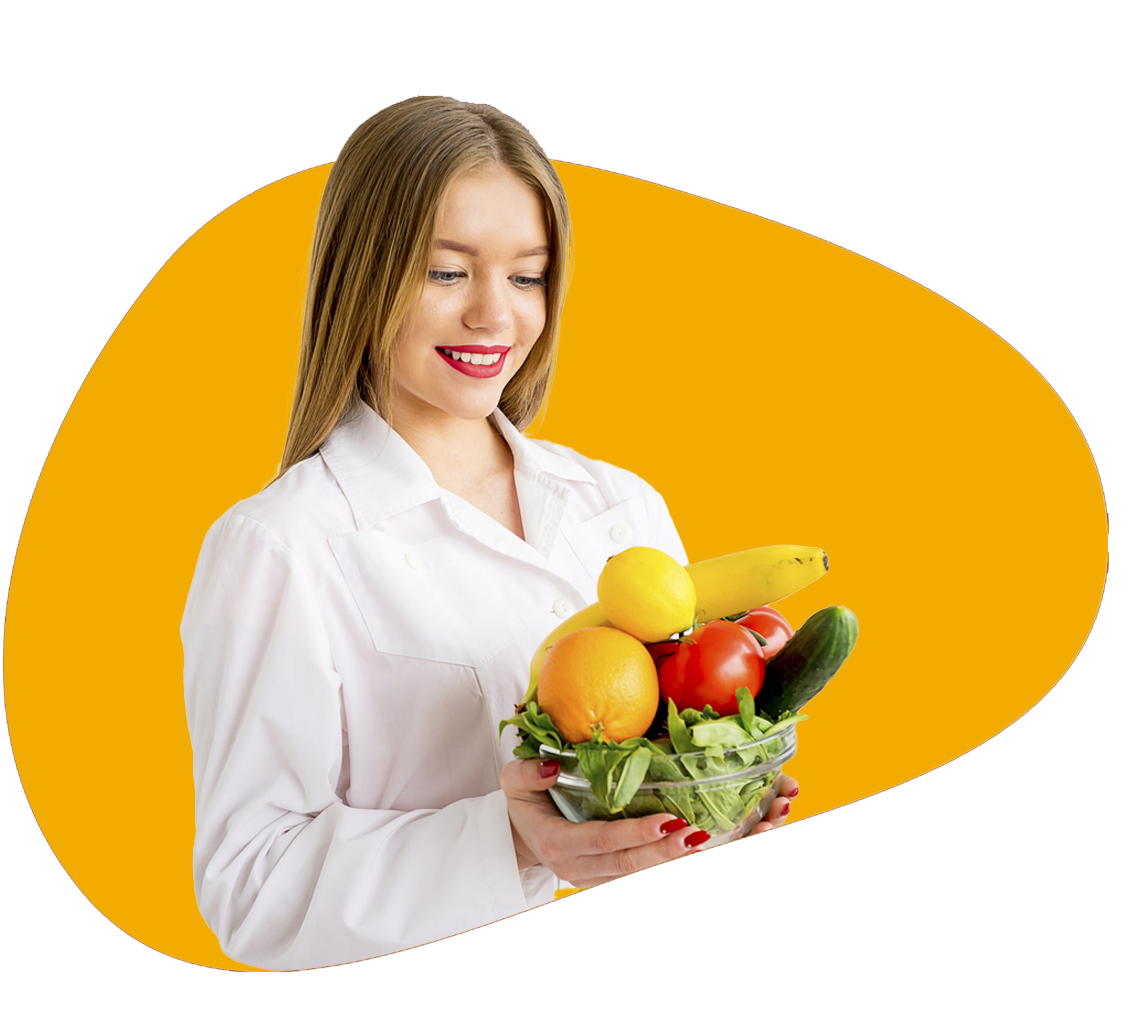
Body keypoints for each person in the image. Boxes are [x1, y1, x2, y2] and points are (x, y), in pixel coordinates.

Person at [181, 95, 797, 971]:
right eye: (445, 272)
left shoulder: (618, 507)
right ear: (364, 274)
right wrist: (512, 838)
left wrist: (711, 805)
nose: (493, 317)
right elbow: (250, 890)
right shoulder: (281, 546)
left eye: (526, 275)